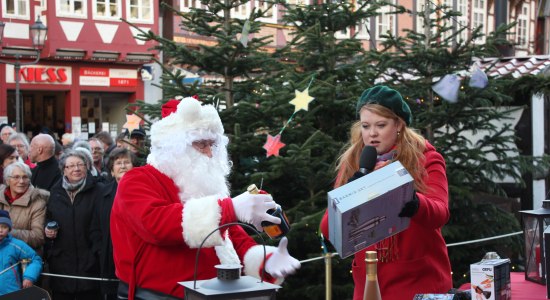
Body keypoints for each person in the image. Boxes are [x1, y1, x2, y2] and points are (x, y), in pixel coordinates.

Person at [111, 97, 300, 299]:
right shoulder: (137, 180)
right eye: (201, 144)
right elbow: (157, 225)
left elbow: (231, 236)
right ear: (172, 146)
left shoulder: (202, 186)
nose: (210, 153)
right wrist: (230, 209)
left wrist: (265, 260)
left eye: (212, 144)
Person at [320, 85, 452, 300]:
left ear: (399, 124)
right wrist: (351, 194)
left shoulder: (426, 158)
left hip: (418, 282)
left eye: (381, 125)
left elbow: (440, 213)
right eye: (365, 126)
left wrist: (413, 201)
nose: (372, 133)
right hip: (369, 285)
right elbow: (328, 229)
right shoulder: (353, 163)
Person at [44, 150, 103, 300]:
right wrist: (48, 230)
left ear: (87, 167)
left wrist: (96, 255)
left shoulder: (98, 190)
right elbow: (48, 217)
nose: (76, 169)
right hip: (62, 264)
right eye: (70, 166)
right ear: (64, 170)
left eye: (79, 165)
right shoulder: (55, 192)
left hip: (90, 263)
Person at [95, 148, 137, 300]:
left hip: (134, 255)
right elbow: (95, 226)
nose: (123, 166)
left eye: (127, 162)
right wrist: (100, 250)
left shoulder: (141, 192)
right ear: (112, 171)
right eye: (118, 163)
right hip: (109, 256)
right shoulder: (102, 194)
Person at [0, 162, 48, 252]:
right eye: (16, 177)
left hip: (25, 257)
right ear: (7, 180)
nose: (21, 181)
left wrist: (6, 232)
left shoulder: (37, 202)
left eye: (25, 177)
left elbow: (38, 237)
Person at [0, 210, 43, 296]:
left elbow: (35, 259)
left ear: (9, 229)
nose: (0, 230)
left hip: (11, 293)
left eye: (4, 227)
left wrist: (29, 277)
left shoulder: (16, 245)